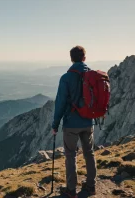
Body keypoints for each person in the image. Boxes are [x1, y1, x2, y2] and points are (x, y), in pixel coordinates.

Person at [52, 46, 96, 198]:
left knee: (71, 155)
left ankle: (71, 190)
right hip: (89, 121)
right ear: (84, 57)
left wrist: (55, 125)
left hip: (71, 123)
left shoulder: (66, 77)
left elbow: (60, 103)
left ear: (71, 58)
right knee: (89, 153)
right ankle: (91, 186)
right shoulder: (93, 76)